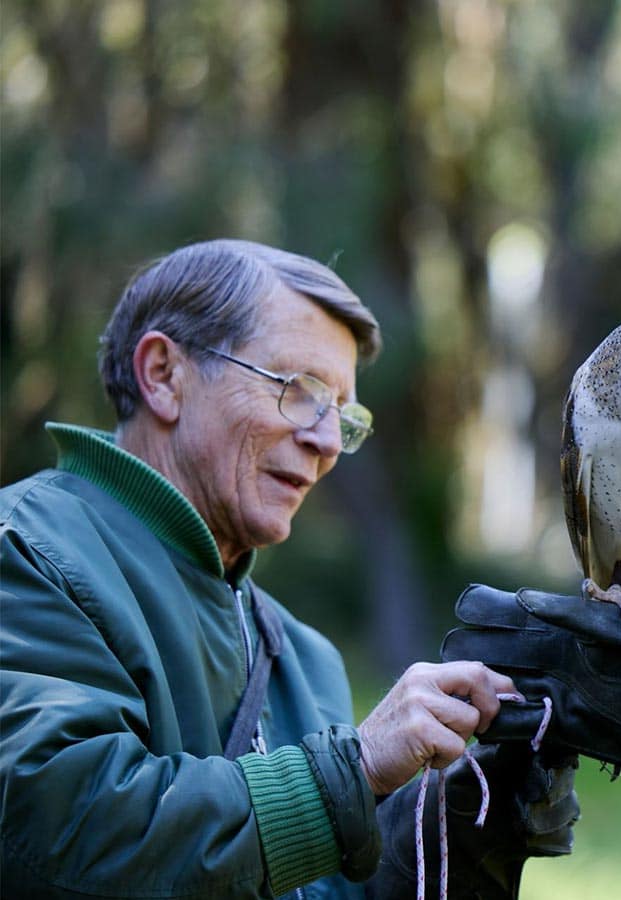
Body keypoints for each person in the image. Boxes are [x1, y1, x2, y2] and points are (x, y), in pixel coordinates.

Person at [0, 239, 575, 898]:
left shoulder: (306, 657)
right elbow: (60, 838)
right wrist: (353, 771)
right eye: (300, 391)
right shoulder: (25, 554)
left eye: (344, 414)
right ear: (162, 373)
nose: (329, 442)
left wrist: (456, 831)